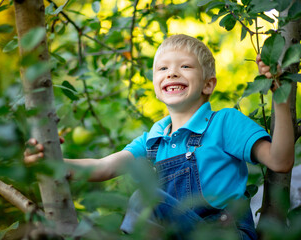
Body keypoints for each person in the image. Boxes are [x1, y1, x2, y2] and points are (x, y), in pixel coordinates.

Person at [24, 34, 294, 239]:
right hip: (177, 233)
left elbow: (280, 161)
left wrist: (279, 95)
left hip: (222, 233)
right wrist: (53, 162)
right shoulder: (153, 140)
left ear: (208, 84)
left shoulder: (224, 122)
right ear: (155, 86)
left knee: (144, 199)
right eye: (162, 69)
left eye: (185, 67)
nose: (172, 72)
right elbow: (103, 167)